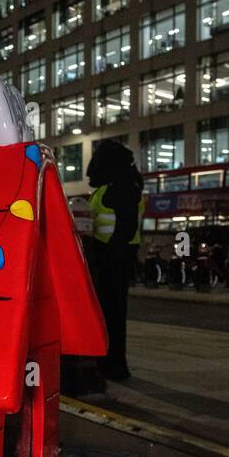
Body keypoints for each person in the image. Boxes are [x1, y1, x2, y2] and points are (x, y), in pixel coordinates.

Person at [86, 138, 145, 381]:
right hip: (113, 256)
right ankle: (109, 362)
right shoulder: (120, 183)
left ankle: (113, 364)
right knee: (111, 312)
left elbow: (125, 227)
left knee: (113, 312)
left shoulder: (122, 186)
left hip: (113, 257)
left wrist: (105, 255)